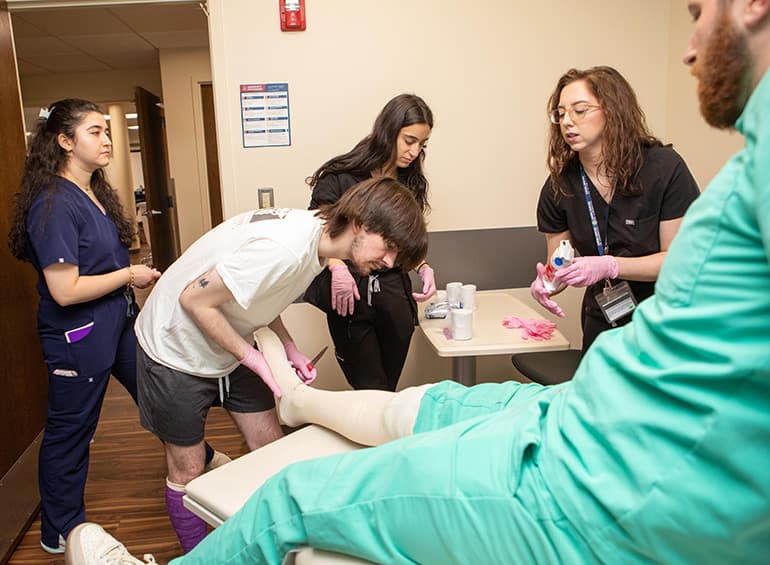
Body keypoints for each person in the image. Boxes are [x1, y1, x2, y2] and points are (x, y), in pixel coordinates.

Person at [66, 0, 770, 562]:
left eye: (696, 10)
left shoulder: (697, 168)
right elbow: (222, 299)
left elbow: (258, 304)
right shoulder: (316, 227)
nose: (688, 46)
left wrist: (604, 266)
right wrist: (270, 353)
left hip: (596, 476)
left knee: (296, 492)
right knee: (432, 401)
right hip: (590, 409)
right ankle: (308, 402)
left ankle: (292, 420)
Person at [132, 177, 427, 552]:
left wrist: (290, 348)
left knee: (270, 446)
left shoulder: (317, 246)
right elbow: (194, 299)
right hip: (175, 345)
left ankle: (263, 543)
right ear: (362, 223)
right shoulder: (284, 248)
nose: (388, 263)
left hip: (225, 334)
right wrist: (252, 357)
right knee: (187, 471)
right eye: (388, 248)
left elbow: (259, 297)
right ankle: (198, 558)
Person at [7, 99, 162, 554]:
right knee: (71, 431)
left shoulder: (94, 192)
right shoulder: (53, 203)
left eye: (107, 131)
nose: (107, 139)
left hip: (116, 322)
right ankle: (60, 531)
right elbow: (66, 290)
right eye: (95, 131)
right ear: (64, 141)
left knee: (159, 392)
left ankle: (202, 461)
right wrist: (131, 275)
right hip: (78, 334)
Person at [531, 66, 701, 354]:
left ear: (612, 110)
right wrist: (548, 280)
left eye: (580, 110)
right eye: (560, 113)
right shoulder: (560, 185)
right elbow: (559, 260)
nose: (567, 122)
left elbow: (679, 262)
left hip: (664, 320)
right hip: (603, 321)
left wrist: (611, 265)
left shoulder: (663, 168)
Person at [303, 93, 437, 391]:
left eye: (422, 145)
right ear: (389, 131)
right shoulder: (341, 177)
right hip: (350, 293)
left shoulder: (410, 182)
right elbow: (318, 230)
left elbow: (403, 239)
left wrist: (422, 266)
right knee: (369, 388)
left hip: (393, 296)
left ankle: (379, 437)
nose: (414, 152)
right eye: (409, 140)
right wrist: (337, 267)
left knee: (387, 388)